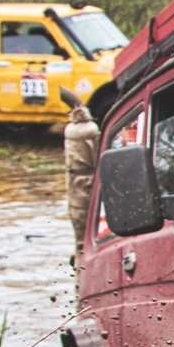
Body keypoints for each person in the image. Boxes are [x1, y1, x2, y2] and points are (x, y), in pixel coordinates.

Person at [62, 82, 101, 262]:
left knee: (81, 242)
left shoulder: (74, 131)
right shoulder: (90, 130)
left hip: (77, 188)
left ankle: (81, 270)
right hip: (87, 185)